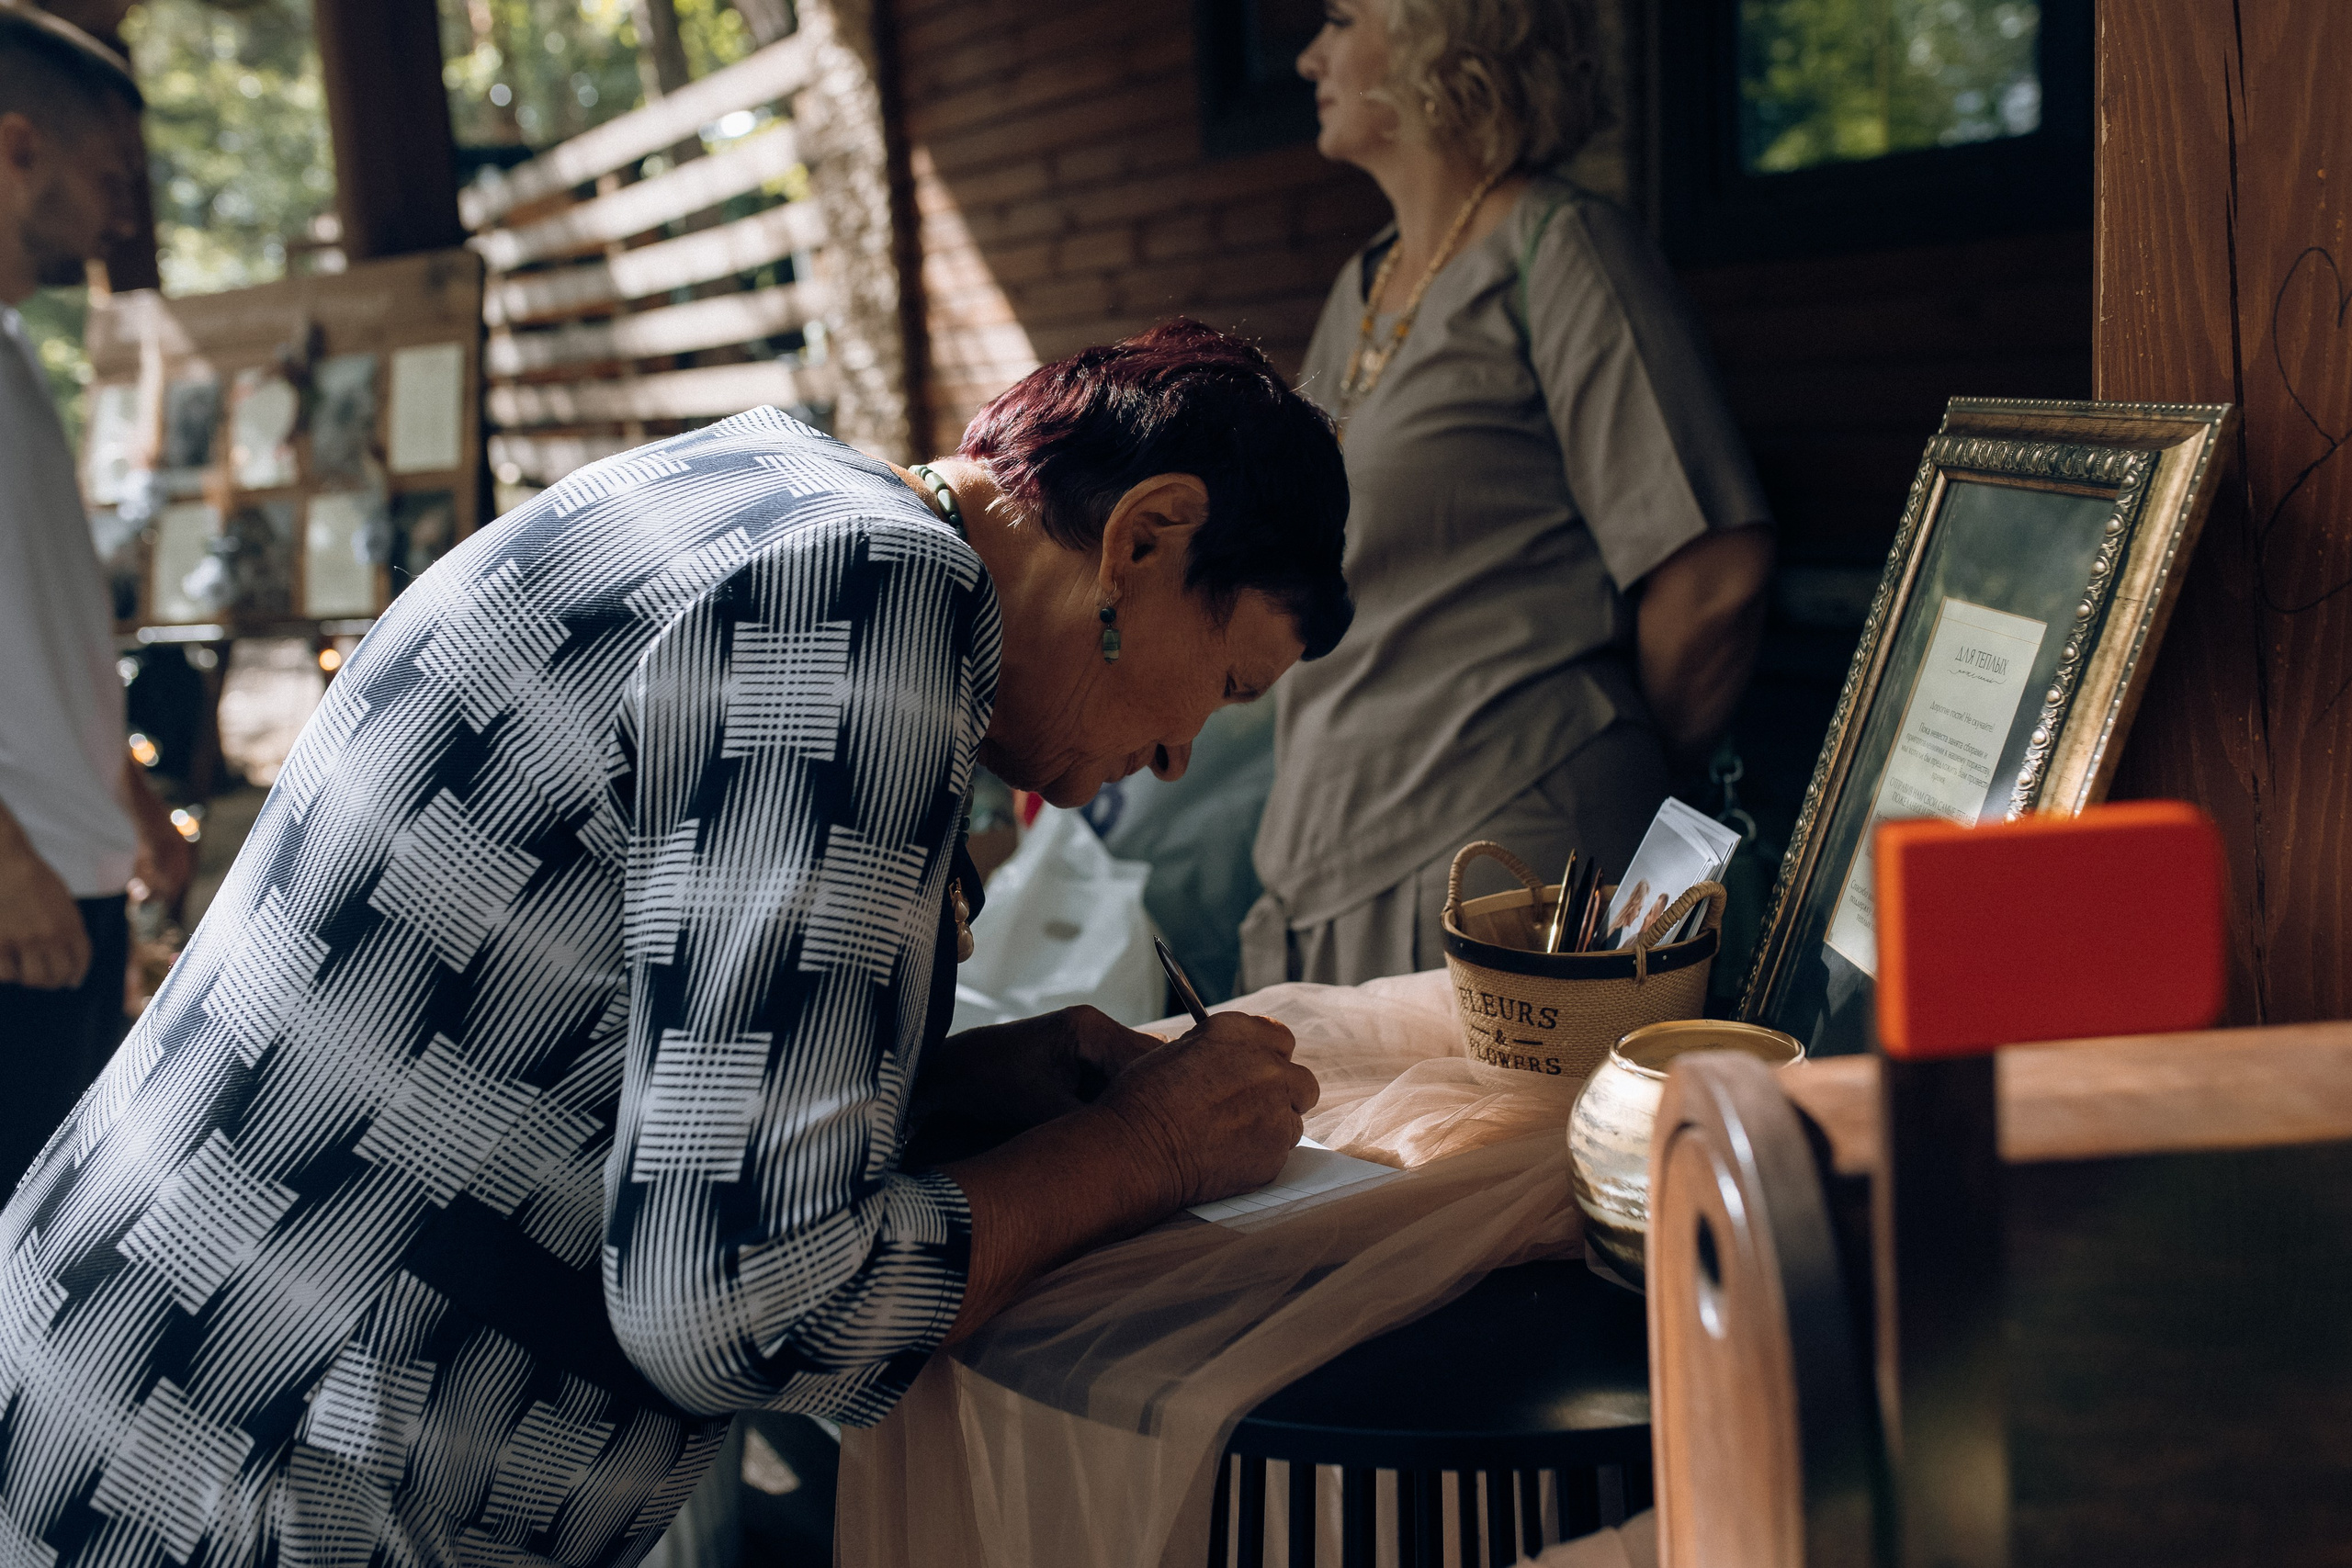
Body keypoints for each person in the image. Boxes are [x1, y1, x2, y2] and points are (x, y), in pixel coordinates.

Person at [0, 320, 1350, 1568]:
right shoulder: (869, 594)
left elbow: (572, 1066)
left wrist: (972, 1087)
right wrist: (1147, 1150)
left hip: (130, 1359)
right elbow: (752, 1300)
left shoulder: (749, 487)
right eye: (1225, 689)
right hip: (251, 1467)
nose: (1177, 757)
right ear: (1148, 536)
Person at [1241, 0, 1775, 988]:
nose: (1311, 55)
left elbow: (1713, 580)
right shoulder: (1363, 284)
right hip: (1335, 853)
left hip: (1500, 862)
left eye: (1341, 19)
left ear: (1436, 38)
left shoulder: (1563, 250)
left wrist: (1579, 755)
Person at [0, 4, 189, 1183]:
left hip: (68, 867)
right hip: (18, 894)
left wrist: (122, 788)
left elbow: (41, 617)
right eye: (109, 174)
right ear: (16, 149)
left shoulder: (18, 348)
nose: (124, 209)